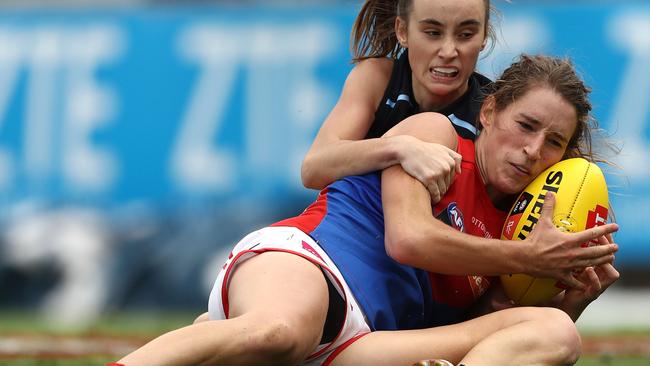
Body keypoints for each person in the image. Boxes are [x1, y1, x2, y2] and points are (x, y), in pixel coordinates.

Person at [111, 55, 619, 366]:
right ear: (488, 112)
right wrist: (529, 259)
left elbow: (499, 331)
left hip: (364, 344)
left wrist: (568, 295)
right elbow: (409, 239)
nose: (533, 149)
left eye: (554, 141)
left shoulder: (519, 229)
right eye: (526, 125)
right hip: (309, 265)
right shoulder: (434, 136)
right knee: (278, 333)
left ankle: (217, 339)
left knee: (557, 333)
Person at [302, 0, 496, 202]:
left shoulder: (494, 112)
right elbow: (313, 167)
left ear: (484, 35)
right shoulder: (377, 79)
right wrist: (400, 149)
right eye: (432, 33)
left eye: (465, 35)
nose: (448, 52)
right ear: (402, 31)